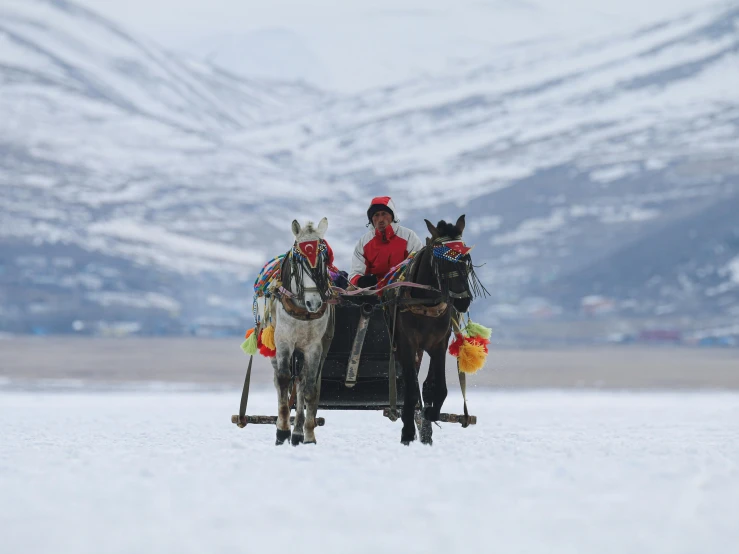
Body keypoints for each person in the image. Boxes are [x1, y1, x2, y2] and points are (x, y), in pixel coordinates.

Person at [349, 196, 423, 289]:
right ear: (371, 219)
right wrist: (361, 281)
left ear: (393, 216)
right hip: (372, 295)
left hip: (404, 293)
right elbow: (355, 273)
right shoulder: (363, 242)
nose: (380, 219)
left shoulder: (409, 236)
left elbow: (419, 266)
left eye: (384, 214)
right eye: (376, 215)